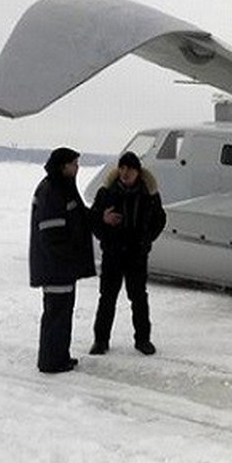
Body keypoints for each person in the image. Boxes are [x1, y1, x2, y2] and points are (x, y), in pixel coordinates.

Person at [89, 151, 167, 355]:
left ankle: (143, 340)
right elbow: (93, 219)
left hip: (136, 255)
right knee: (107, 298)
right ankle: (100, 341)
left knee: (139, 298)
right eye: (122, 168)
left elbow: (160, 219)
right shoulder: (106, 193)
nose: (125, 172)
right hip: (113, 253)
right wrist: (103, 223)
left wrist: (146, 240)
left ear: (137, 172)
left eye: (130, 169)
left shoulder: (149, 194)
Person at [29, 147, 96, 373]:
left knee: (63, 313)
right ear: (63, 166)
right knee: (56, 314)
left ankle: (59, 356)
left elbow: (78, 216)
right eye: (74, 164)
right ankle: (51, 361)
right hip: (55, 266)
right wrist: (69, 255)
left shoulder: (63, 188)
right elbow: (51, 233)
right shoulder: (52, 190)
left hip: (63, 266)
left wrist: (98, 217)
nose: (77, 168)